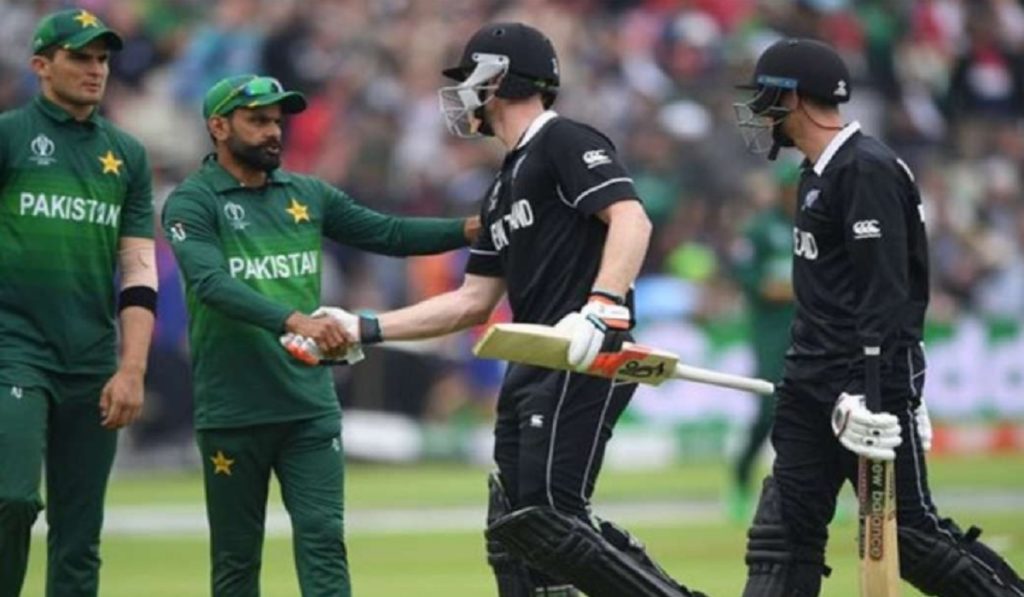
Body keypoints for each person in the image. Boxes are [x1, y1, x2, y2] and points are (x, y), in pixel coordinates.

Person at [286, 22, 705, 597]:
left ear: (497, 78)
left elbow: (631, 218)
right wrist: (365, 327)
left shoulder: (563, 140)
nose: (462, 93)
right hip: (532, 361)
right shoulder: (500, 186)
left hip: (584, 351)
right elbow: (472, 301)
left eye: (469, 78)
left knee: (553, 518)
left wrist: (603, 306)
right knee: (519, 530)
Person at [161, 73, 478, 597]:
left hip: (308, 405)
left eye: (276, 121)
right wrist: (297, 320)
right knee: (237, 560)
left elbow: (389, 233)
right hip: (234, 410)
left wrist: (470, 229)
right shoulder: (193, 202)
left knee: (324, 540)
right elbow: (210, 283)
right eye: (257, 120)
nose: (273, 131)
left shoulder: (306, 193)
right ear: (218, 126)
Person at [733, 38, 1024, 596]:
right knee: (782, 535)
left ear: (795, 98)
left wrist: (875, 387)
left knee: (909, 538)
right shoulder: (814, 174)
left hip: (863, 388)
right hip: (808, 382)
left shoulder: (866, 169)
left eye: (766, 96)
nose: (758, 110)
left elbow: (888, 292)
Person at [0, 9, 157, 597]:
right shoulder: (9, 136)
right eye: (80, 57)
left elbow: (138, 271)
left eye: (102, 59)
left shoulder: (127, 155)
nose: (96, 70)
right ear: (41, 66)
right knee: (12, 498)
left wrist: (132, 367)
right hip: (14, 350)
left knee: (79, 535)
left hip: (91, 358)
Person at [726, 163, 797, 523]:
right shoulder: (760, 229)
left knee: (814, 415)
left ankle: (811, 496)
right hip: (771, 334)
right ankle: (739, 482)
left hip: (813, 332)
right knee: (769, 411)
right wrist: (775, 289)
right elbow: (748, 277)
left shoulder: (817, 226)